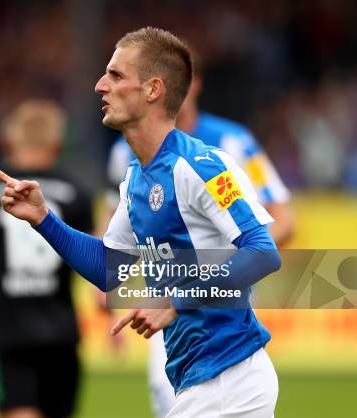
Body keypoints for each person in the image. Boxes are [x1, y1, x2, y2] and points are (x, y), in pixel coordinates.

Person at [0, 27, 281, 418]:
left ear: (153, 89)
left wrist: (176, 300)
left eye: (116, 75)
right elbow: (109, 269)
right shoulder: (137, 178)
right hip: (199, 381)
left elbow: (263, 253)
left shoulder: (200, 166)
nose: (99, 86)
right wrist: (43, 218)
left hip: (229, 381)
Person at [104, 67, 294, 416]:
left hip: (220, 309)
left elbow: (280, 224)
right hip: (171, 315)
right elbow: (115, 233)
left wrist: (221, 271)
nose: (103, 87)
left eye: (116, 77)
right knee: (168, 391)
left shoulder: (230, 143)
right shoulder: (128, 157)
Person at [0, 99, 93, 418]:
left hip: (10, 331)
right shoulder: (77, 192)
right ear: (58, 145)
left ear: (9, 141)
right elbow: (91, 257)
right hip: (62, 331)